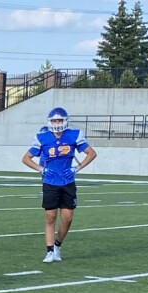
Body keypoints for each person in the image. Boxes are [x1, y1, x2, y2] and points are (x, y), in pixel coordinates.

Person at [21, 106, 96, 263]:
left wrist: (77, 168)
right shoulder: (42, 137)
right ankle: (49, 251)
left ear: (65, 121)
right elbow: (26, 158)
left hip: (68, 181)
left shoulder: (74, 135)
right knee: (50, 217)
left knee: (67, 219)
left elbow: (91, 153)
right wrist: (41, 169)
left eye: (59, 120)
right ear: (49, 122)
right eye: (54, 120)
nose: (57, 123)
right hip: (50, 181)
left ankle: (57, 245)